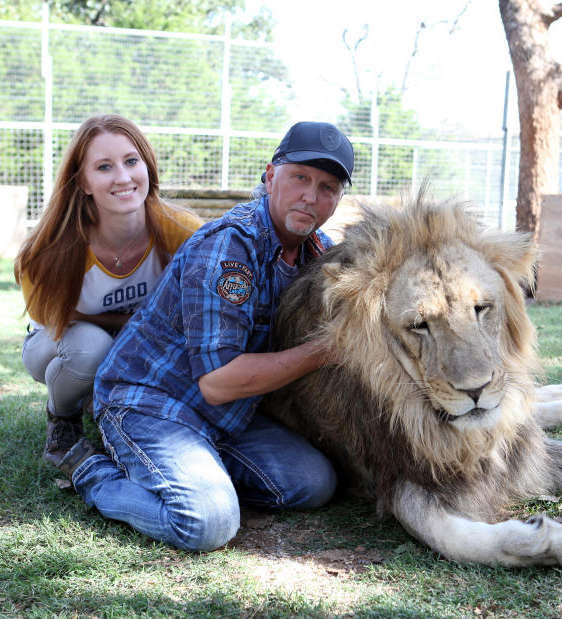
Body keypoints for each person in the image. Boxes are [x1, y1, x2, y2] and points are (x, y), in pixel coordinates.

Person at [58, 121, 355, 552]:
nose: (311, 196)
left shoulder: (317, 252)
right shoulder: (229, 249)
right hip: (150, 402)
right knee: (207, 523)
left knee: (314, 484)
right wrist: (325, 351)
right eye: (300, 178)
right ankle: (91, 471)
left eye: (328, 187)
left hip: (228, 416)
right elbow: (218, 383)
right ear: (271, 176)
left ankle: (196, 472)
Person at [14, 114, 203, 468]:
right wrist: (126, 326)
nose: (123, 177)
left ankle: (111, 404)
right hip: (57, 344)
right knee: (93, 349)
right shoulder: (49, 251)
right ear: (83, 182)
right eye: (103, 167)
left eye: (131, 161)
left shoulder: (183, 232)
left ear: (147, 165)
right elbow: (52, 317)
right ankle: (63, 417)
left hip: (141, 341)